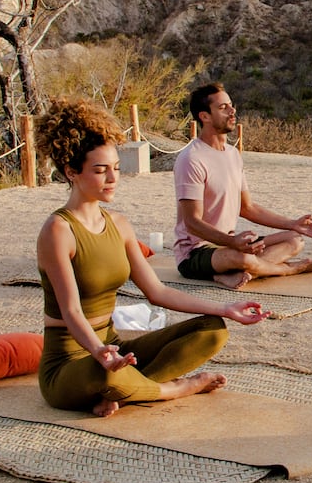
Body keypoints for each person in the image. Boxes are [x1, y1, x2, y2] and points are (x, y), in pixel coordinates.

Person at [36, 98, 268, 418]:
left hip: (114, 349)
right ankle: (172, 389)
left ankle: (127, 389)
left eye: (116, 169)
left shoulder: (119, 224)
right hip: (71, 365)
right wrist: (100, 354)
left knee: (213, 329)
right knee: (106, 374)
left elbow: (156, 291)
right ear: (71, 172)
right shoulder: (58, 230)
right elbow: (72, 310)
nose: (112, 179)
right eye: (100, 171)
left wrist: (225, 308)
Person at [172, 83, 312, 289]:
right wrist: (233, 243)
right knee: (242, 258)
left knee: (295, 240)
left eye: (231, 105)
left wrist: (292, 224)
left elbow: (247, 208)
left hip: (229, 244)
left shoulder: (232, 154)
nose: (232, 110)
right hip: (196, 252)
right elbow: (192, 222)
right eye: (223, 107)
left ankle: (238, 273)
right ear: (205, 116)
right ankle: (287, 269)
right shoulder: (192, 159)